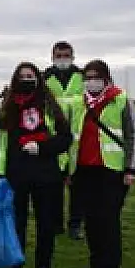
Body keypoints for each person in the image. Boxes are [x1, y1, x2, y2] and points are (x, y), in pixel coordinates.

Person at [69, 60, 135, 268]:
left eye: (96, 77)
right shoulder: (78, 103)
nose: (91, 81)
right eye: (88, 77)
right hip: (84, 169)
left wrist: (131, 168)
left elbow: (133, 134)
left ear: (106, 79)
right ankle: (95, 265)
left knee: (108, 219)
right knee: (91, 220)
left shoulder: (121, 99)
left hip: (112, 169)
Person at [0, 63, 72, 268]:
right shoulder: (8, 106)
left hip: (46, 172)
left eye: (30, 76)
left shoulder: (50, 105)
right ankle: (15, 267)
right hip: (16, 173)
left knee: (45, 223)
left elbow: (65, 139)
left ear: (38, 78)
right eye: (22, 76)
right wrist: (0, 172)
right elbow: (2, 142)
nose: (26, 80)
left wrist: (42, 148)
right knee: (16, 222)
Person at [45, 41, 86, 240]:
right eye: (59, 56)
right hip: (55, 136)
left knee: (78, 185)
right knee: (54, 184)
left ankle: (75, 224)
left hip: (79, 137)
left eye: (66, 55)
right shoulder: (45, 77)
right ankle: (56, 224)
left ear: (73, 56)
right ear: (52, 57)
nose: (63, 59)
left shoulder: (83, 76)